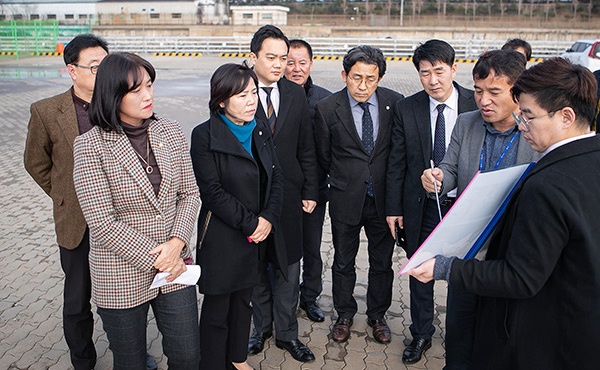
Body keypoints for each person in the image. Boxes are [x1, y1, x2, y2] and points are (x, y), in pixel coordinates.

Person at [410, 57, 600, 370]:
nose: (522, 124)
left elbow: (521, 277)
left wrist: (443, 268)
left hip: (540, 320)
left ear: (566, 117)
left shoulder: (547, 184)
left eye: (527, 116)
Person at [72, 52, 201, 369]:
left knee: (188, 354)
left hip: (174, 266)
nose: (148, 95)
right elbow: (102, 223)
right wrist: (160, 256)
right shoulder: (90, 146)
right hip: (119, 271)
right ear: (112, 94)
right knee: (130, 361)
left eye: (149, 85)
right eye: (135, 89)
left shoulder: (169, 131)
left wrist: (176, 245)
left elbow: (190, 194)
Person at [420, 49, 540, 369]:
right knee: (459, 333)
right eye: (477, 90)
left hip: (510, 257)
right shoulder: (466, 123)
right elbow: (449, 168)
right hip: (469, 254)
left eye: (494, 92)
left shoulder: (535, 132)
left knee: (500, 337)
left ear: (517, 92)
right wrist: (437, 178)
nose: (483, 100)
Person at [385, 39, 478, 365]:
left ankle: (460, 334)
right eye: (425, 73)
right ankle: (422, 332)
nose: (433, 80)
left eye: (439, 71)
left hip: (466, 207)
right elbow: (397, 162)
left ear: (454, 68)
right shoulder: (407, 108)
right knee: (420, 271)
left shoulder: (475, 103)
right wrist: (394, 208)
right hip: (422, 206)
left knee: (464, 274)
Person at [190, 63, 284, 370]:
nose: (251, 100)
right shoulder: (204, 135)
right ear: (221, 100)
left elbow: (276, 177)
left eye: (254, 93)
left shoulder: (259, 127)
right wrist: (253, 223)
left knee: (244, 302)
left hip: (256, 234)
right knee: (218, 308)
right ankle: (213, 363)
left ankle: (237, 358)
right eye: (242, 95)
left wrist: (268, 217)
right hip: (222, 234)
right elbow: (212, 192)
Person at [23, 34, 108, 370]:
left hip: (120, 220)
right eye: (95, 67)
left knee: (124, 297)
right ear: (72, 70)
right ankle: (83, 361)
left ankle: (130, 351)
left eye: (107, 65)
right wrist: (63, 195)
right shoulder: (46, 111)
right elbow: (36, 163)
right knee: (77, 300)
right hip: (75, 221)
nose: (103, 73)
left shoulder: (120, 104)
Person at [315, 45, 404, 344]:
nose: (363, 85)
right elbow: (324, 157)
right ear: (344, 75)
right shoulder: (327, 109)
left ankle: (377, 316)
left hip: (384, 201)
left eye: (371, 78)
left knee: (382, 263)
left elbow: (396, 154)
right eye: (356, 78)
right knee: (342, 260)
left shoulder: (395, 103)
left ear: (380, 78)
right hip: (345, 197)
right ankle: (344, 314)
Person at [247, 25, 319, 363]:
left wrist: (310, 189)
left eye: (283, 58)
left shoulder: (294, 93)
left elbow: (306, 146)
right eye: (271, 57)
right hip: (252, 197)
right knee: (258, 268)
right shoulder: (238, 90)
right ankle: (260, 329)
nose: (279, 65)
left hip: (290, 197)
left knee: (290, 268)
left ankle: (287, 334)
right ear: (253, 58)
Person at [284, 38, 332, 323]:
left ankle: (310, 297)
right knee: (283, 250)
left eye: (302, 62)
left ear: (311, 64)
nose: (296, 68)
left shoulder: (324, 100)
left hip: (315, 189)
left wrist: (316, 189)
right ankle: (282, 300)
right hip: (282, 189)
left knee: (312, 248)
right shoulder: (273, 96)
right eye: (290, 62)